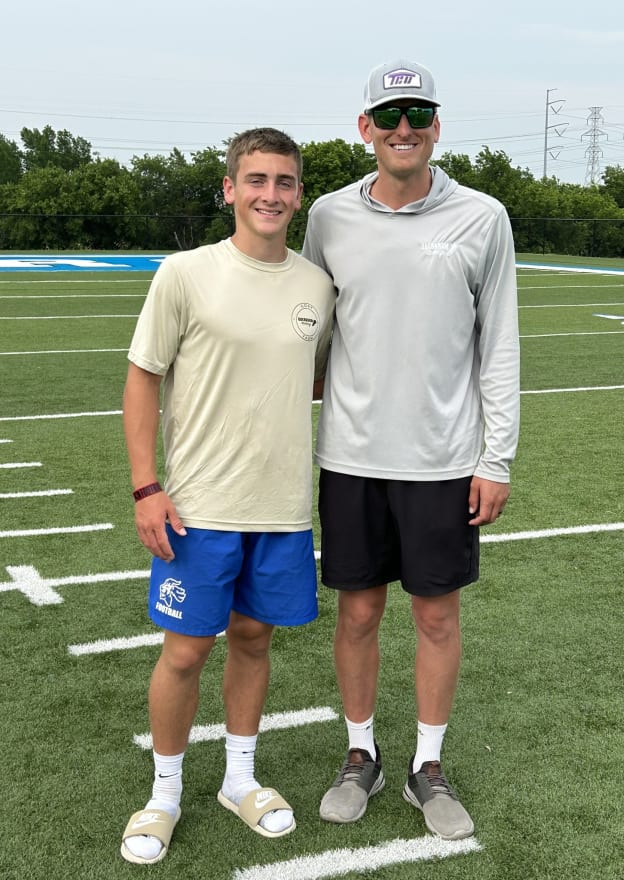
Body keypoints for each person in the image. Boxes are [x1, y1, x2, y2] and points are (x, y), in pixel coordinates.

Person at [302, 59, 520, 840]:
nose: (404, 129)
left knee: (436, 616)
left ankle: (426, 766)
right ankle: (360, 752)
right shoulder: (327, 215)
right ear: (364, 128)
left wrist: (496, 458)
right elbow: (313, 330)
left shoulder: (483, 216)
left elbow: (498, 344)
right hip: (352, 457)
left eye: (418, 114)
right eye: (389, 116)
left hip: (441, 460)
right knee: (357, 612)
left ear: (436, 124)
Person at [120, 127, 335, 864]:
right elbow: (143, 376)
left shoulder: (315, 286)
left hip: (279, 509)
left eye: (284, 182)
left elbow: (314, 378)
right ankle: (165, 795)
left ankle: (239, 779)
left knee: (253, 640)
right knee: (184, 653)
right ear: (230, 190)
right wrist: (147, 487)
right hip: (197, 507)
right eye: (256, 180)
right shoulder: (185, 273)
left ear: (298, 194)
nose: (270, 194)